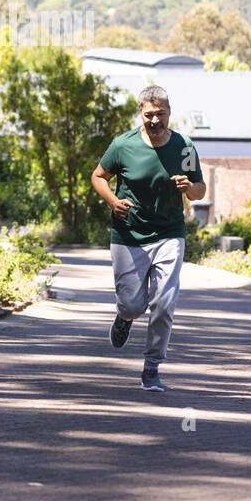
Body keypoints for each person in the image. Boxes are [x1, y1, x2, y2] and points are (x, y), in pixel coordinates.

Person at [90, 86, 206, 392]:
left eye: (160, 114)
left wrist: (188, 189)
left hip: (169, 233)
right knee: (131, 304)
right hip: (129, 233)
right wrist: (113, 201)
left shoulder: (183, 146)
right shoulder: (123, 144)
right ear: (141, 112)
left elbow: (200, 190)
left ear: (170, 113)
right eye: (149, 114)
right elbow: (98, 176)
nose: (155, 120)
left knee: (164, 303)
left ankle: (152, 367)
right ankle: (124, 317)